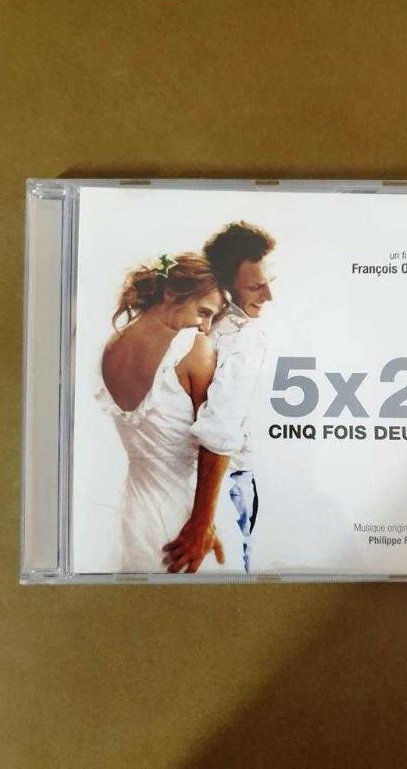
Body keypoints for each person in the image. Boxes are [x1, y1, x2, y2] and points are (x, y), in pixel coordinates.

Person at [97, 252, 231, 573]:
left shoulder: (112, 346)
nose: (206, 327)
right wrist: (203, 523)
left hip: (131, 515)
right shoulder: (194, 348)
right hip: (184, 525)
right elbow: (216, 440)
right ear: (170, 294)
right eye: (203, 312)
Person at [163, 222, 277, 573]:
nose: (269, 296)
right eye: (256, 287)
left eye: (270, 282)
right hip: (222, 486)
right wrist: (203, 522)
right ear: (228, 286)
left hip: (188, 479)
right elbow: (221, 430)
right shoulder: (242, 339)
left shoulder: (198, 321)